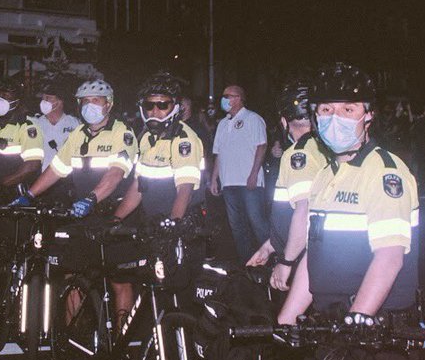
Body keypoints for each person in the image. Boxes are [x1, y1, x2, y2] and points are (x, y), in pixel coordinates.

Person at [278, 62, 420, 360]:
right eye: (326, 110)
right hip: (330, 327)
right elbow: (315, 252)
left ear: (368, 115)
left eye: (347, 109)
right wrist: (286, 319)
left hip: (375, 333)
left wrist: (356, 321)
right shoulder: (326, 175)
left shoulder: (385, 174)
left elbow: (389, 257)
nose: (335, 118)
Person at [111, 72, 205, 321]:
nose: (155, 111)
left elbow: (185, 189)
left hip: (179, 228)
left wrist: (172, 226)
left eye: (162, 105)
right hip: (152, 228)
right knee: (152, 295)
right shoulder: (145, 138)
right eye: (149, 105)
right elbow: (138, 187)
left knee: (180, 301)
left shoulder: (184, 139)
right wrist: (115, 219)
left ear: (175, 106)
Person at [246, 83, 329, 292]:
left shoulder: (297, 154)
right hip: (314, 252)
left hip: (301, 258)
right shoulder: (324, 149)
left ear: (284, 121)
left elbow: (303, 211)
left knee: (286, 321)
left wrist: (286, 262)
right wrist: (270, 245)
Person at [17, 78, 136, 217]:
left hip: (110, 212)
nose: (89, 105)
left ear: (108, 105)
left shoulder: (122, 132)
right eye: (85, 101)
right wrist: (29, 195)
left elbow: (116, 174)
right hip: (79, 209)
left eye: (96, 100)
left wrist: (90, 199)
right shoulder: (78, 133)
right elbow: (56, 169)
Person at [210, 84, 269, 263]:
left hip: (249, 183)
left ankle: (274, 259)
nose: (224, 99)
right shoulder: (222, 124)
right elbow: (219, 153)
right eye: (223, 95)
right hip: (229, 183)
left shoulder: (253, 119)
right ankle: (248, 263)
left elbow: (262, 146)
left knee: (257, 223)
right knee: (237, 227)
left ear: (238, 98)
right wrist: (214, 179)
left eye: (228, 95)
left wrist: (253, 174)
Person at [31, 78, 79, 170]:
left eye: (48, 98)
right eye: (43, 98)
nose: (44, 101)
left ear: (60, 101)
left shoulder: (75, 124)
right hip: (40, 177)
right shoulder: (34, 123)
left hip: (65, 179)